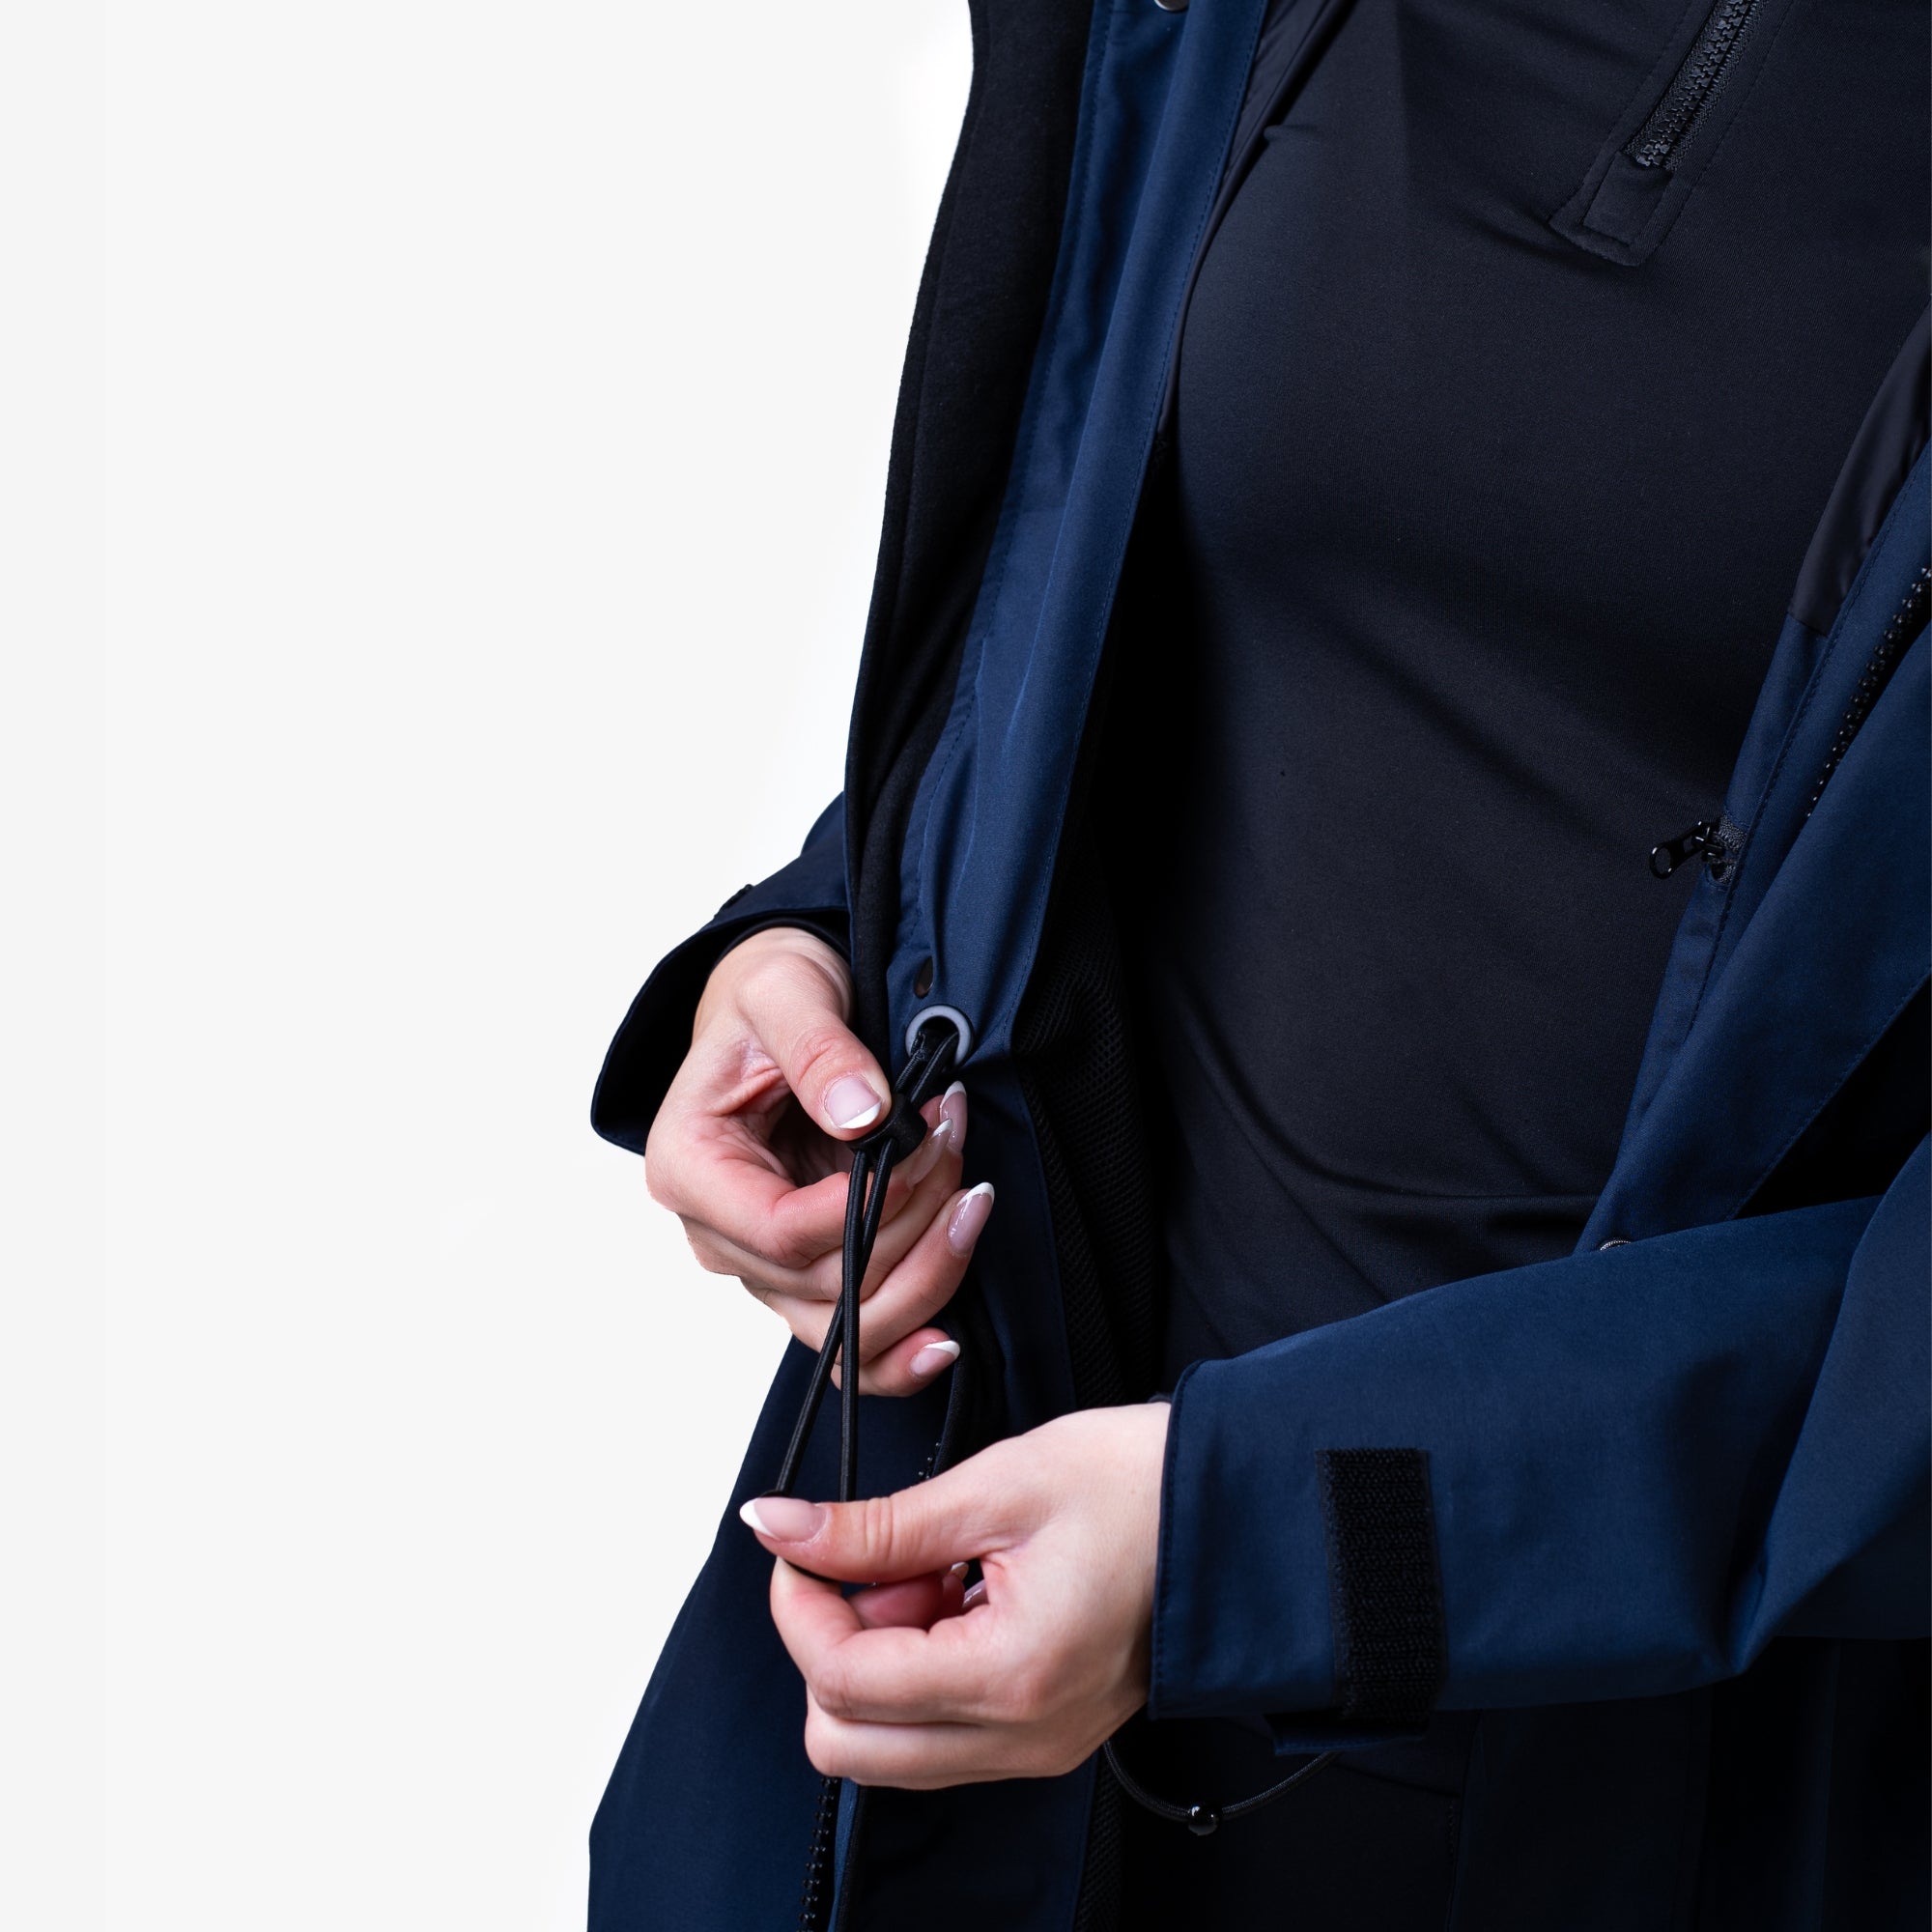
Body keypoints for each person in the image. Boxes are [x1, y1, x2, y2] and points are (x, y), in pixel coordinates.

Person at [586, 1, 1930, 1925]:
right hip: (935, 1728)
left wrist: (1267, 1539)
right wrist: (834, 947)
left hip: (1722, 1800)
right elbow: (1102, 572)